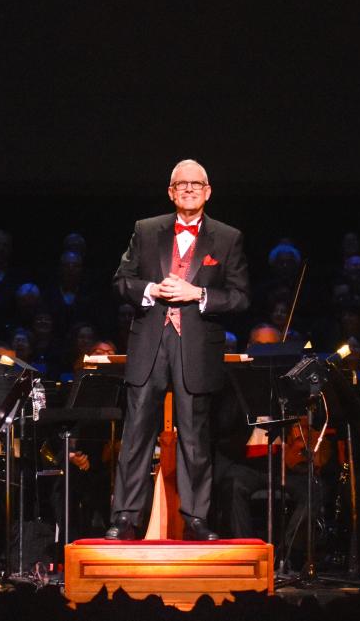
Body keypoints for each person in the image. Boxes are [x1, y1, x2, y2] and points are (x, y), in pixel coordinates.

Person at [106, 159, 250, 541]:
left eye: (196, 183)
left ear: (208, 191)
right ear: (170, 192)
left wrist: (197, 294)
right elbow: (122, 281)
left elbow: (240, 297)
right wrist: (151, 290)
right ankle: (124, 517)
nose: (188, 188)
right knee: (136, 433)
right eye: (180, 184)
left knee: (194, 437)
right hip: (151, 343)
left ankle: (197, 518)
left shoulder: (227, 237)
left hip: (196, 348)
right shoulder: (146, 230)